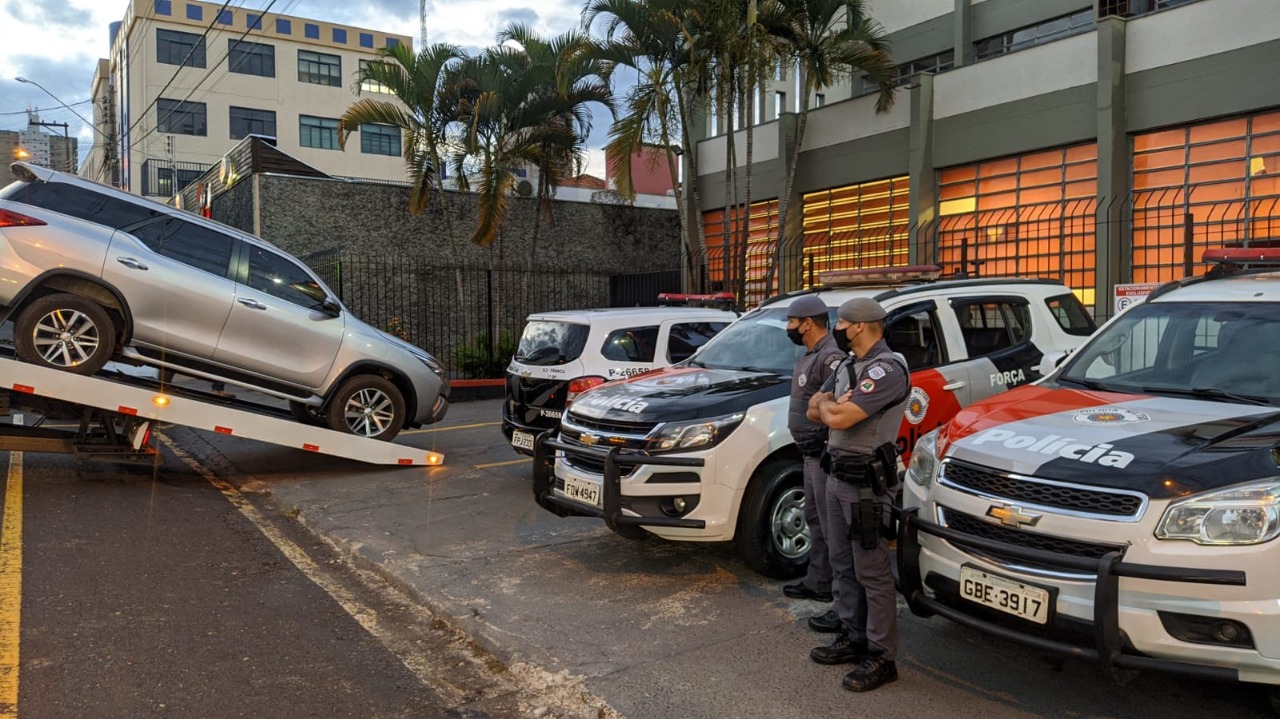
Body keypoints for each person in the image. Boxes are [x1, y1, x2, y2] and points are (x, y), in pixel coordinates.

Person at [806, 297, 911, 693]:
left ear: (861, 326)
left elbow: (840, 416)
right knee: (841, 561)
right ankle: (854, 636)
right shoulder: (851, 366)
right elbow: (816, 406)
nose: (838, 328)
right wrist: (829, 403)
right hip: (837, 475)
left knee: (872, 568)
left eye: (843, 322)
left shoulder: (887, 369)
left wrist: (831, 407)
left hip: (866, 484)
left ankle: (882, 656)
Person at [780, 295, 845, 635]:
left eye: (791, 321)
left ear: (807, 323)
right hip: (808, 452)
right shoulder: (811, 355)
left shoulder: (830, 356)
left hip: (821, 452)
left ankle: (838, 597)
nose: (788, 328)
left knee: (832, 527)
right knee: (815, 518)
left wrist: (820, 437)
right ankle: (818, 579)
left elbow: (834, 404)